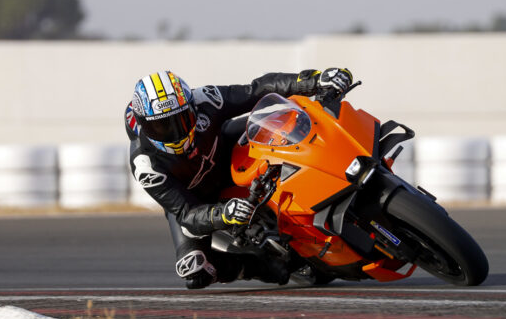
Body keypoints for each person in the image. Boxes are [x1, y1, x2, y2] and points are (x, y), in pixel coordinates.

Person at [126, 67, 353, 289]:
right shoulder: (146, 166)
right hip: (196, 200)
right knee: (195, 270)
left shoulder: (205, 99)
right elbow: (186, 214)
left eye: (181, 120)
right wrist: (222, 214)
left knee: (276, 121)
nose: (174, 133)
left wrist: (313, 81)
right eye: (160, 127)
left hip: (228, 149)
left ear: (192, 107)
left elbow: (257, 89)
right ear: (143, 126)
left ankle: (332, 173)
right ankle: (260, 265)